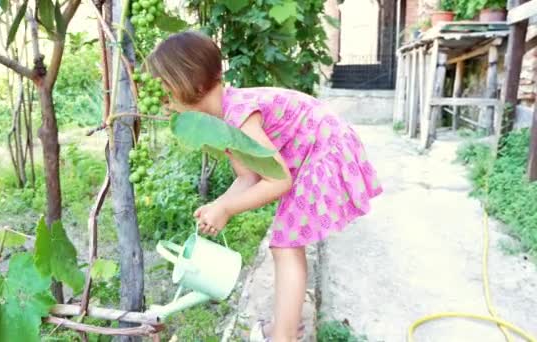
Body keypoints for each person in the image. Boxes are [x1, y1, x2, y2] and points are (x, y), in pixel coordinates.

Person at [146, 30, 383, 342]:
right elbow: (249, 177)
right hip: (314, 154)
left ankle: (283, 337)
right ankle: (286, 326)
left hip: (325, 151)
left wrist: (227, 207)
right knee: (286, 244)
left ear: (192, 84)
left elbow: (280, 181)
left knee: (285, 246)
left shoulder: (239, 115)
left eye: (166, 92)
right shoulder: (223, 119)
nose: (165, 103)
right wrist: (221, 206)